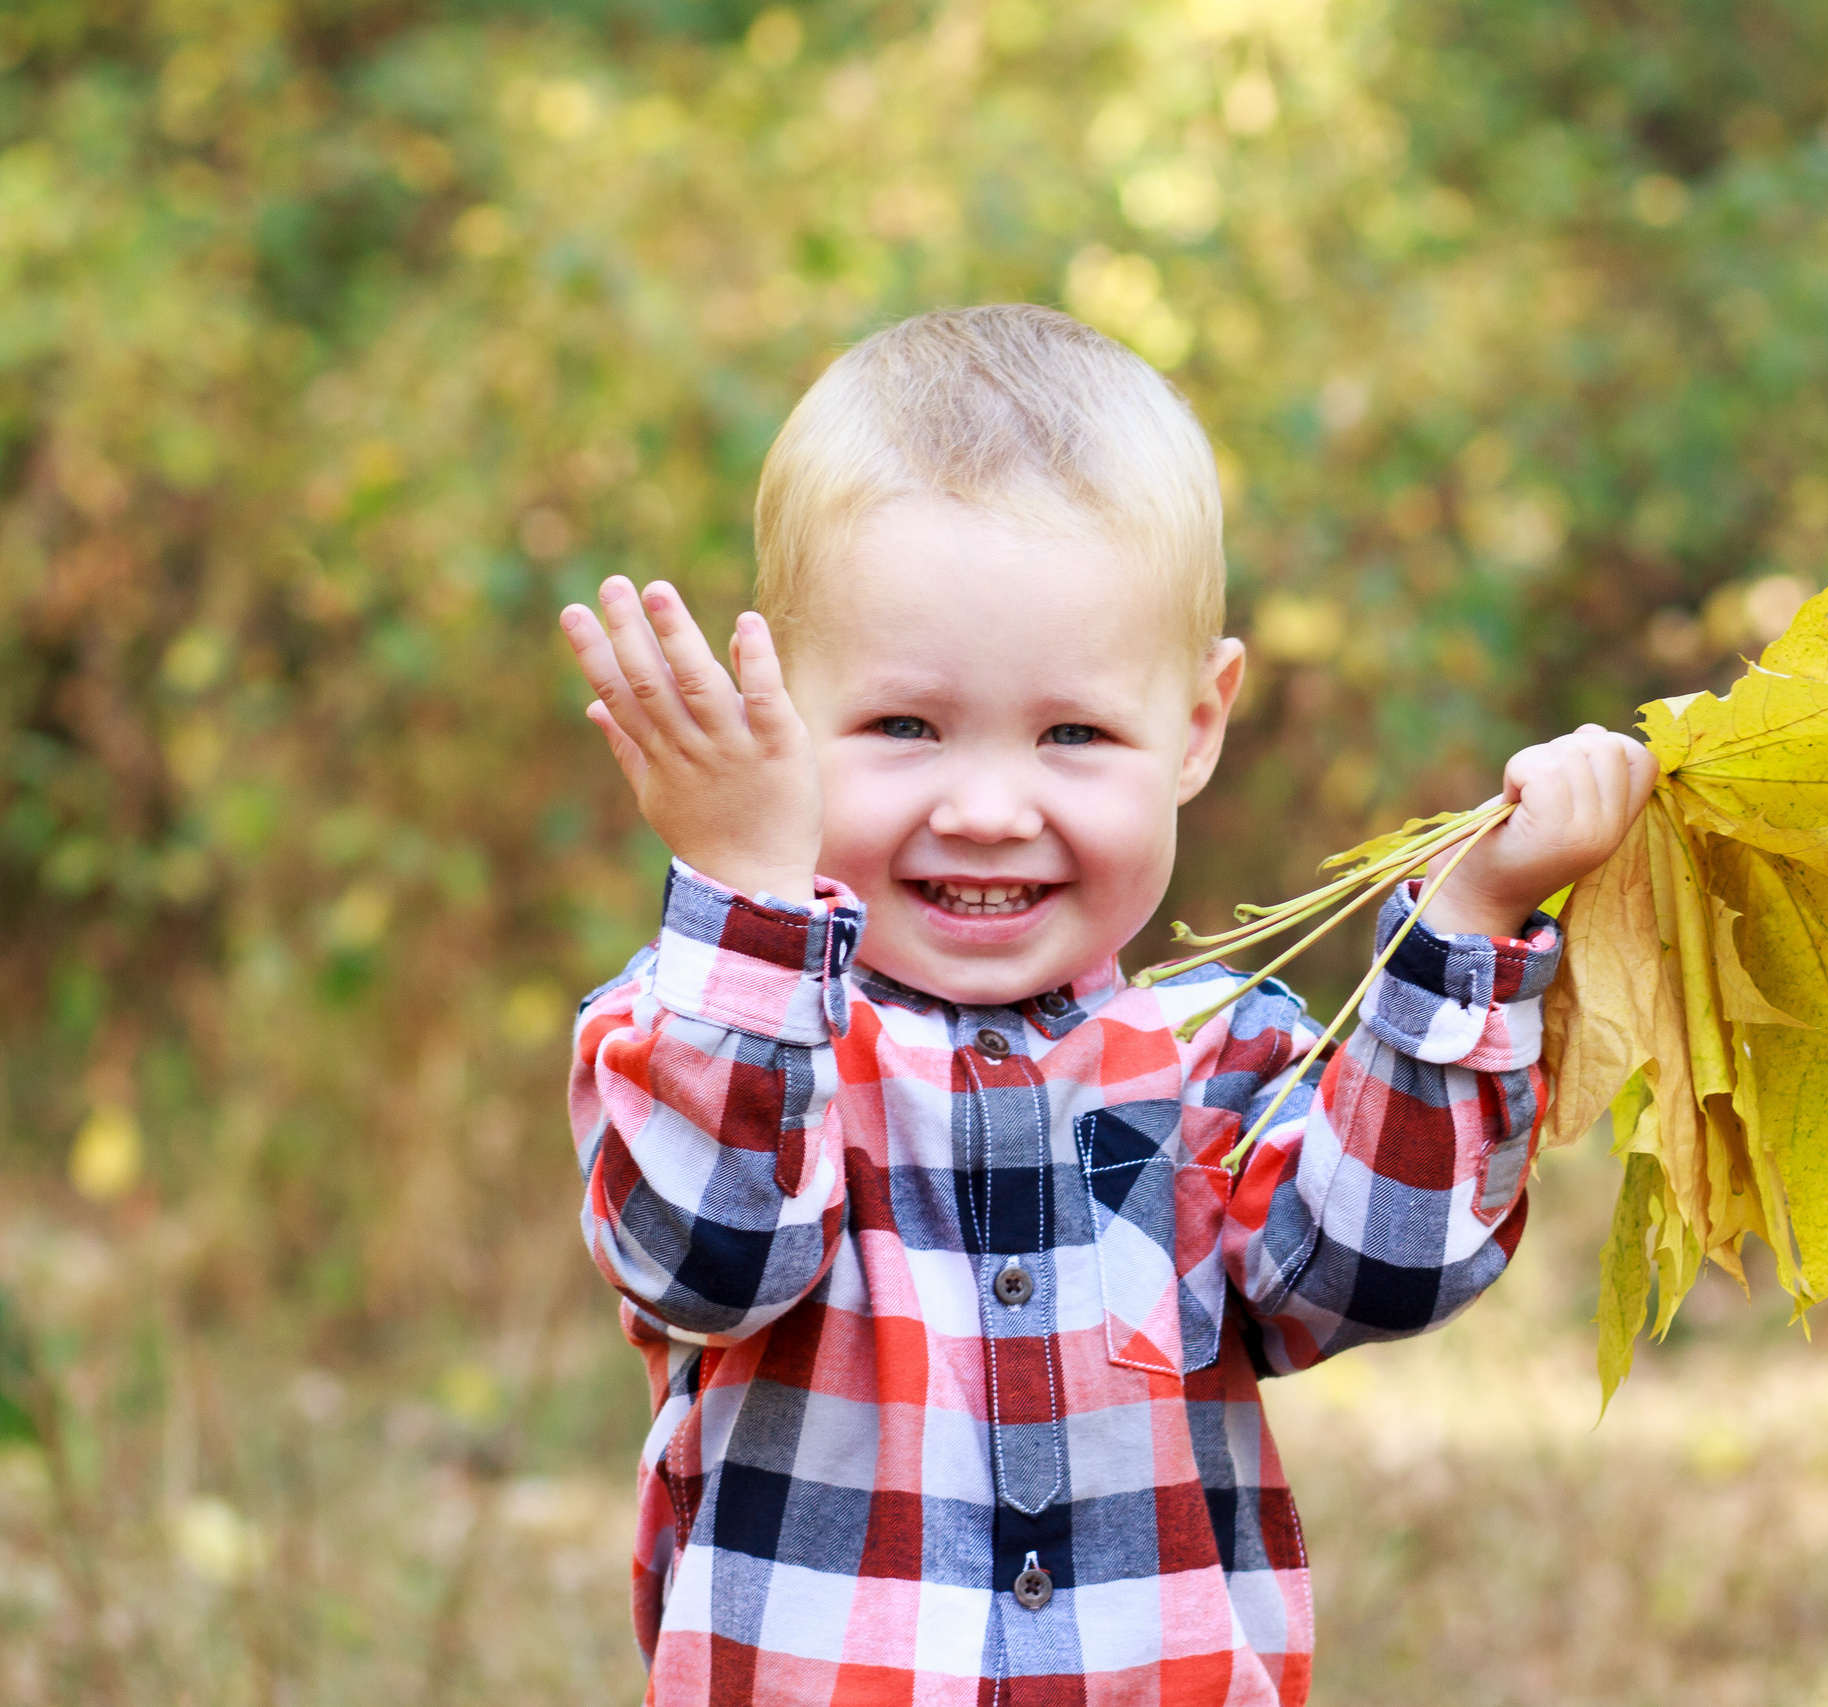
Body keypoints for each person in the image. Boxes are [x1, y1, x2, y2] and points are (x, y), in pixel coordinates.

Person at [557, 304, 1654, 1706]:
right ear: (783, 714)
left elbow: (1374, 1272)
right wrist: (747, 894)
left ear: (1195, 728)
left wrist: (1475, 920)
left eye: (1072, 732)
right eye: (903, 726)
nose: (989, 807)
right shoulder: (718, 1025)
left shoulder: (1220, 1058)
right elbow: (706, 1266)